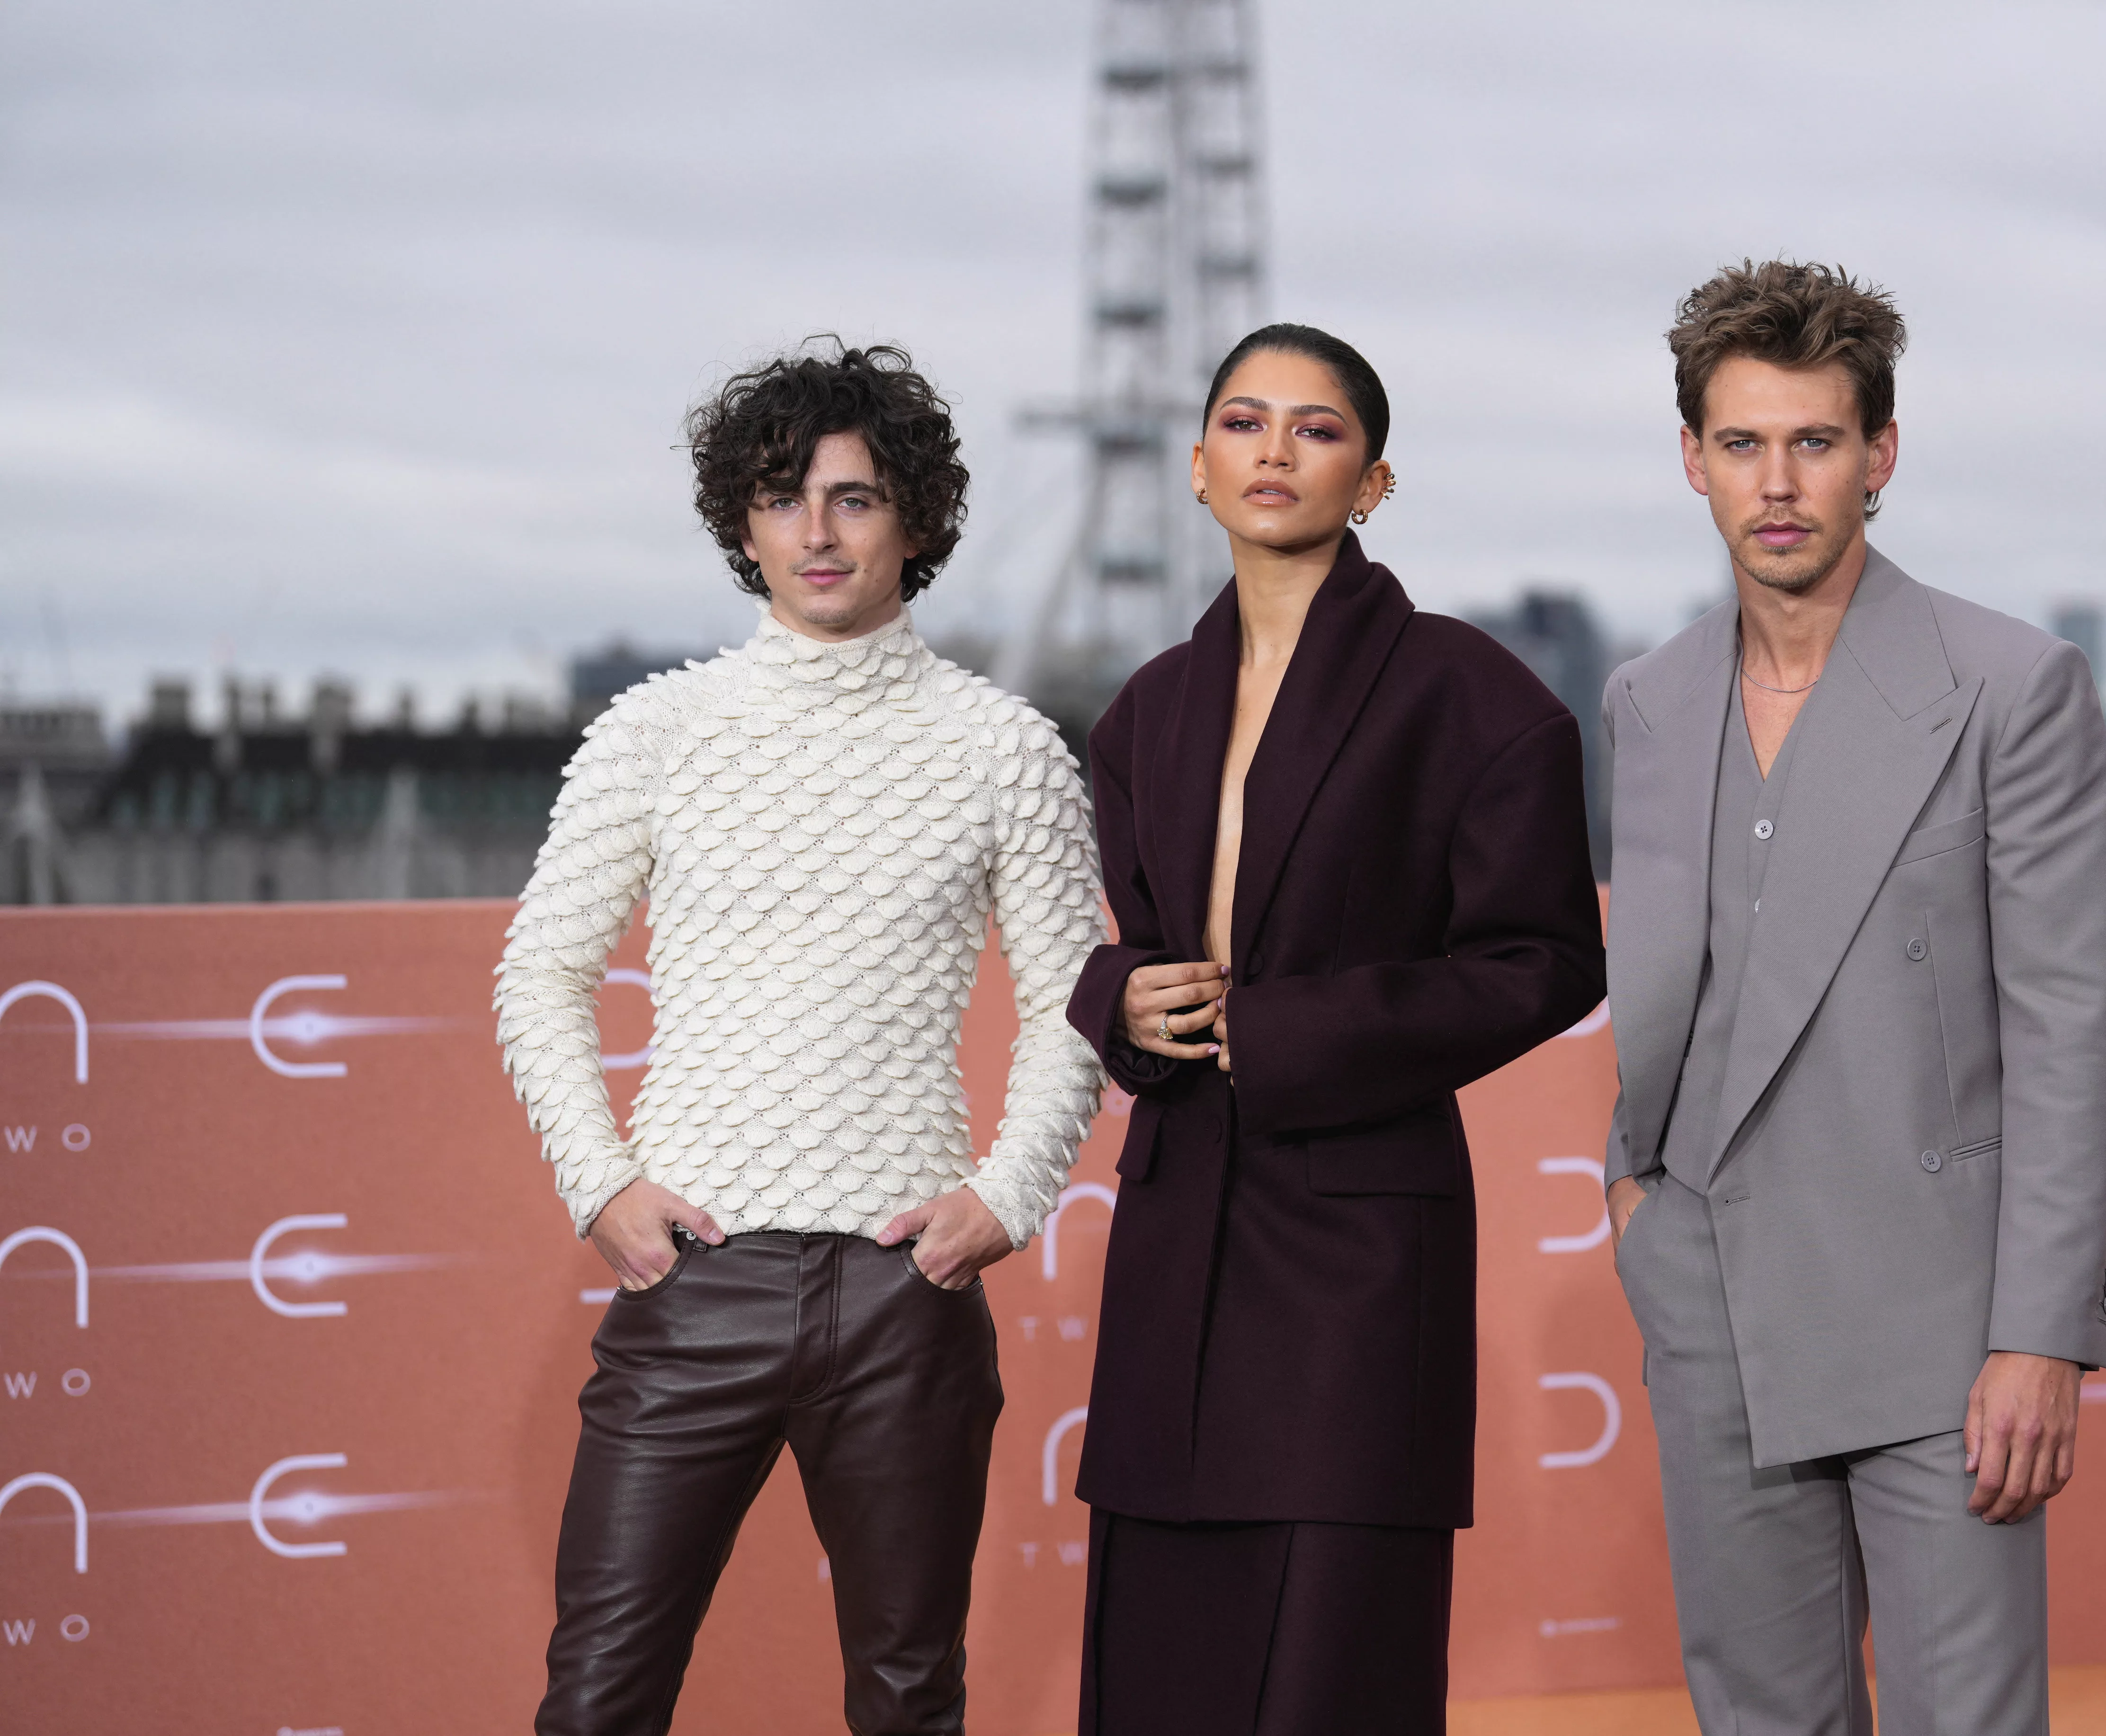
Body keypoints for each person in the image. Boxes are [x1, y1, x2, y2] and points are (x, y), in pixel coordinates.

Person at [494, 340, 1105, 1735]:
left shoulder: (1007, 750)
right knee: (597, 1697)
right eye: (782, 500)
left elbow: (1075, 1003)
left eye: (853, 497)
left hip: (907, 1299)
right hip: (694, 1287)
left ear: (918, 522)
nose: (816, 533)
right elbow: (540, 973)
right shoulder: (655, 732)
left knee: (907, 1697)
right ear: (741, 525)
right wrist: (600, 1182)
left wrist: (1006, 1198)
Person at [1062, 323, 1606, 1736]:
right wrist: (1116, 1001)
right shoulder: (1143, 712)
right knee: (1158, 1659)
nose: (1274, 452)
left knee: (1329, 1674)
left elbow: (1545, 961)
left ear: (1370, 483)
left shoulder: (1470, 693)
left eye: (1315, 430)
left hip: (1359, 1249)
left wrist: (1291, 1032)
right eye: (1243, 423)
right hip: (1180, 1228)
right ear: (1196, 467)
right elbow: (1113, 953)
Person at [1601, 261, 2106, 1736]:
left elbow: (2065, 1027)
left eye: (1815, 443)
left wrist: (2039, 1335)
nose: (1778, 484)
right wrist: (1630, 1186)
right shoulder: (1648, 699)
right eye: (1744, 444)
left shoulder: (2009, 685)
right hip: (1711, 1292)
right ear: (1693, 460)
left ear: (1878, 456)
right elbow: (1664, 974)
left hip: (1940, 1323)